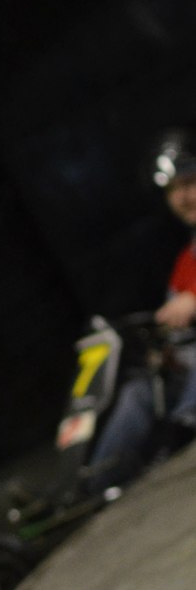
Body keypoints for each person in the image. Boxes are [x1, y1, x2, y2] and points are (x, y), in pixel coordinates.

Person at [81, 128, 196, 489]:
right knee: (138, 391)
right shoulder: (186, 261)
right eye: (172, 189)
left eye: (189, 183)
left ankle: (181, 433)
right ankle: (95, 481)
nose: (182, 197)